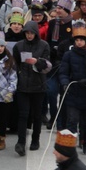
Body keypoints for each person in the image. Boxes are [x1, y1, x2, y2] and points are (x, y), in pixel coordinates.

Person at [60, 21, 86, 155]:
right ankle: (70, 145)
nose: (79, 43)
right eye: (77, 40)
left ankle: (85, 141)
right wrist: (65, 83)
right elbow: (64, 72)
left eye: (81, 40)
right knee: (72, 120)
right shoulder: (68, 55)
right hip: (73, 91)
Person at [13, 21, 52, 155]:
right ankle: (21, 142)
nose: (29, 35)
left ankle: (36, 139)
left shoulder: (44, 45)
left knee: (37, 115)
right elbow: (16, 63)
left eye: (31, 33)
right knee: (23, 115)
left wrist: (37, 62)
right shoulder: (19, 46)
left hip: (38, 85)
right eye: (27, 33)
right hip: (23, 85)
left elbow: (47, 64)